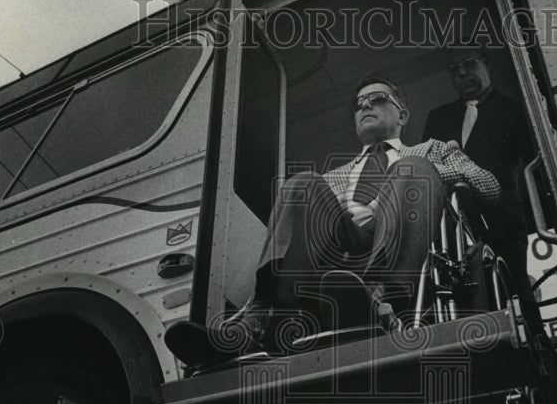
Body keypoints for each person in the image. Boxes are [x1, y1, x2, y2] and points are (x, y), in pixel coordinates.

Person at [169, 74, 500, 361]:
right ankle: (256, 321)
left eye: (377, 99)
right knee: (300, 184)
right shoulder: (333, 178)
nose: (364, 107)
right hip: (340, 255)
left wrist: (404, 185)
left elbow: (489, 185)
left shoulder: (431, 149)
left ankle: (379, 298)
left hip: (403, 249)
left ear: (402, 115)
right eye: (358, 104)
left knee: (412, 169)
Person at [423, 48, 536, 288]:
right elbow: (426, 167)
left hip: (504, 224)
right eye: (454, 69)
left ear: (487, 63)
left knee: (516, 293)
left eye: (469, 63)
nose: (462, 73)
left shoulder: (514, 110)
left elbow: (536, 168)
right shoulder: (438, 118)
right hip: (452, 231)